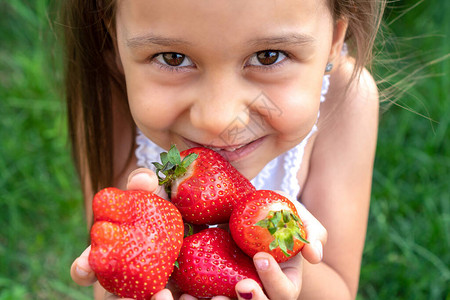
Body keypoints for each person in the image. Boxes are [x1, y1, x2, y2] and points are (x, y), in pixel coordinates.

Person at [66, 0, 384, 299]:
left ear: (333, 41)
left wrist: (277, 256)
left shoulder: (346, 102)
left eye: (269, 56)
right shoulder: (108, 103)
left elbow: (339, 290)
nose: (218, 119)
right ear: (116, 40)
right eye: (172, 58)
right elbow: (112, 262)